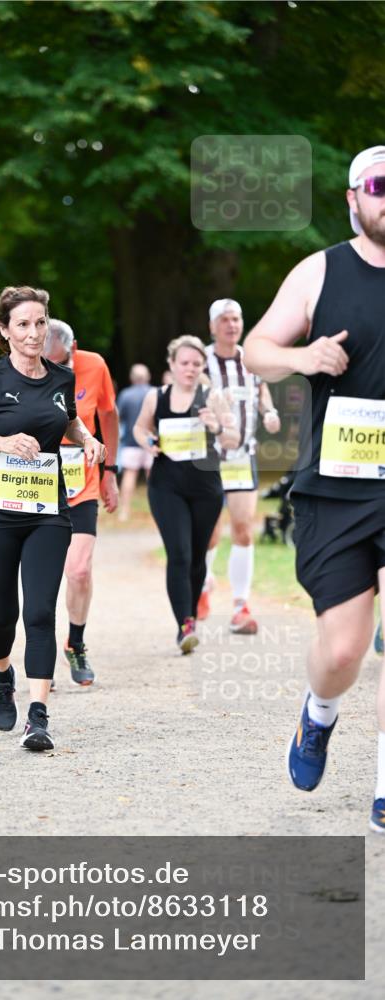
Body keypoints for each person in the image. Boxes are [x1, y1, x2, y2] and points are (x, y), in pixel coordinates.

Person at [243, 145, 385, 834]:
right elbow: (255, 350)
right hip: (337, 485)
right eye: (379, 186)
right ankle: (317, 714)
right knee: (341, 651)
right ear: (353, 198)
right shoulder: (319, 270)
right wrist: (303, 356)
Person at [0, 286, 104, 751]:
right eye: (23, 325)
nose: (34, 333)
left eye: (40, 323)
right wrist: (1, 441)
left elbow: (68, 419)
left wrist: (86, 438)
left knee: (38, 612)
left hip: (47, 511)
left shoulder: (59, 377)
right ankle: (1, 674)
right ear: (5, 331)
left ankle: (39, 716)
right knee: (3, 616)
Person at [134, 336, 238, 653]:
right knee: (178, 553)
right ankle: (185, 626)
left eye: (196, 364)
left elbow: (234, 439)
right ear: (172, 365)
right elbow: (139, 427)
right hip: (166, 484)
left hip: (205, 485)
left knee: (196, 557)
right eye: (184, 363)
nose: (190, 369)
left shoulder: (213, 397)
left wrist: (217, 427)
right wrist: (147, 442)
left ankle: (190, 613)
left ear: (202, 366)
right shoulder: (157, 397)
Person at [198, 299, 282, 630]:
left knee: (244, 528)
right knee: (209, 533)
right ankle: (203, 585)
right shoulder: (201, 360)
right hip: (207, 457)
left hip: (242, 455)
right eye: (225, 320)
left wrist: (270, 412)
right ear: (212, 326)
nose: (232, 325)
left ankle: (240, 605)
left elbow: (261, 391)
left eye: (237, 319)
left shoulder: (251, 358)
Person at [43, 319, 119, 685]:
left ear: (73, 349)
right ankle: (40, 652)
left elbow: (108, 415)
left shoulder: (94, 365)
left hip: (82, 483)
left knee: (79, 570)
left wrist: (111, 470)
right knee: (43, 574)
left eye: (62, 361)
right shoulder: (19, 369)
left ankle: (75, 642)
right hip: (35, 484)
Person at [116, 364, 153, 523]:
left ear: (132, 378)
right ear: (148, 377)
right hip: (150, 441)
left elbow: (117, 418)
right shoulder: (154, 393)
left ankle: (124, 511)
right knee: (153, 478)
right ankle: (156, 510)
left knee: (129, 476)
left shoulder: (125, 395)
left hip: (130, 442)